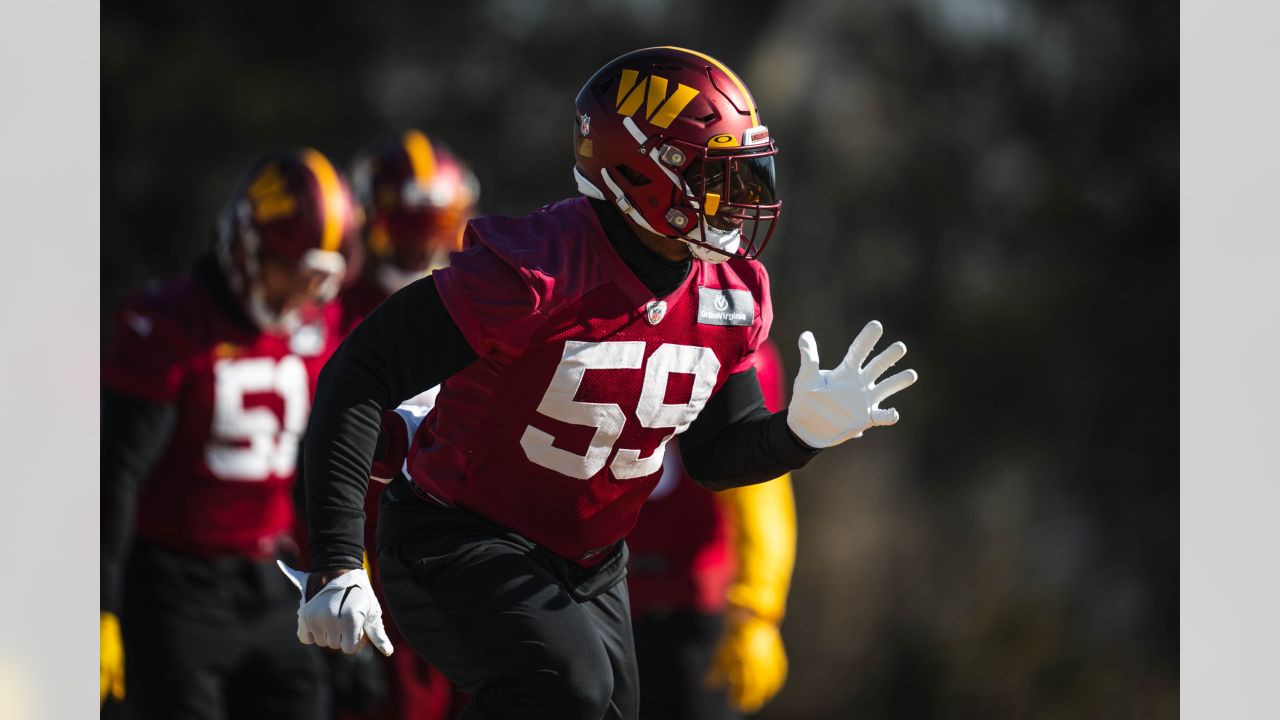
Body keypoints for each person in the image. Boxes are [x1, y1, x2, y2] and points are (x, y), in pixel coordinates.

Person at [284, 46, 918, 720]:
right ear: (641, 173)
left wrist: (798, 434)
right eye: (716, 176)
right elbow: (361, 369)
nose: (742, 201)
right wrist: (336, 560)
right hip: (454, 535)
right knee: (566, 692)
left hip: (589, 561)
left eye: (748, 175)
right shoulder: (537, 270)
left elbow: (714, 455)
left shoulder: (731, 294)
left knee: (599, 706)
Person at [101, 147, 357, 718]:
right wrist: (101, 605)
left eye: (320, 277)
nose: (305, 293)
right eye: (293, 270)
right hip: (175, 587)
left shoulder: (323, 325)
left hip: (272, 580)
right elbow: (115, 475)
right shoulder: (169, 324)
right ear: (246, 247)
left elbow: (324, 468)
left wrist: (338, 575)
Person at [335, 129, 481, 720]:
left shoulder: (485, 303)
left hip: (468, 547)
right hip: (376, 549)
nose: (425, 248)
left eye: (438, 227)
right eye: (408, 228)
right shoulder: (336, 311)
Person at [628, 337, 795, 719]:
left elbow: (759, 486)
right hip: (603, 595)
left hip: (694, 604)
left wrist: (757, 609)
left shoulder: (736, 344)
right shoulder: (597, 327)